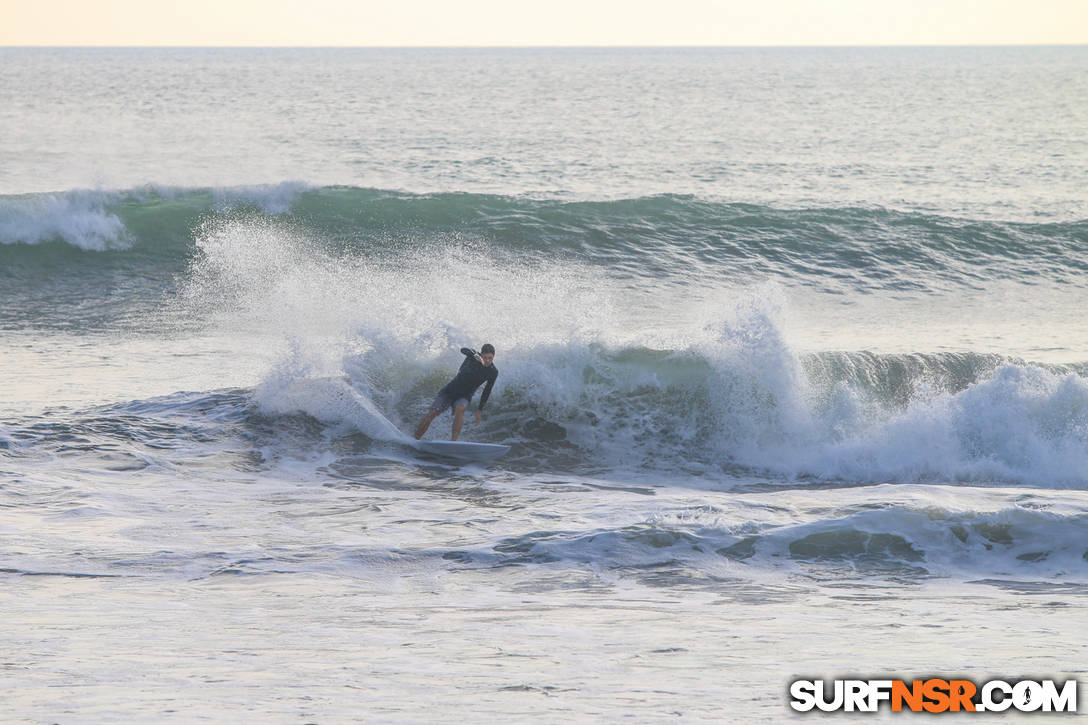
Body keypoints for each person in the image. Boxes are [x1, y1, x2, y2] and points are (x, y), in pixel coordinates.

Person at [414, 344, 498, 441]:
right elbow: (463, 350)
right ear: (481, 354)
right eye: (485, 357)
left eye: (490, 358)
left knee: (460, 409)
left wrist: (479, 410)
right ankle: (416, 439)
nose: (487, 360)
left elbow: (487, 390)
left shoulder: (493, 372)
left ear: (493, 357)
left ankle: (453, 442)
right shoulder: (473, 357)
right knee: (432, 412)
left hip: (465, 395)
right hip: (449, 391)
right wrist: (475, 355)